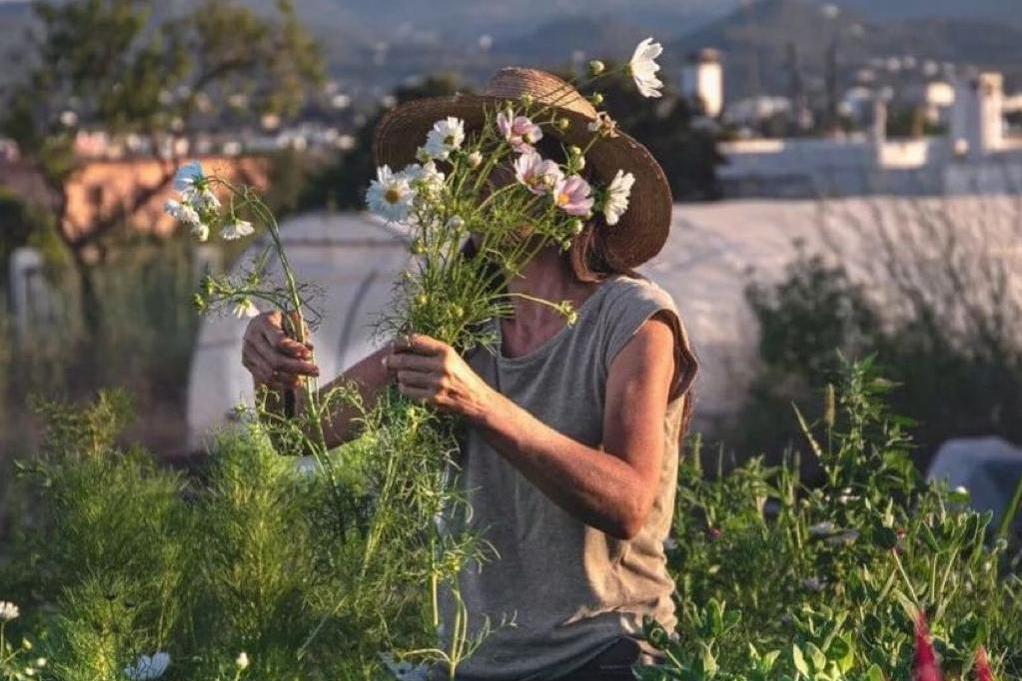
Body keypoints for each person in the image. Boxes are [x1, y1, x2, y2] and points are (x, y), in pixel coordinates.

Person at [240, 67, 698, 681]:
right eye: (477, 162)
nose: (488, 181)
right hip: (477, 662)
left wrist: (481, 403)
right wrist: (272, 371)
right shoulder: (455, 316)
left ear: (570, 185)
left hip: (605, 653)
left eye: (515, 161)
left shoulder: (633, 320)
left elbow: (628, 503)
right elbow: (303, 434)